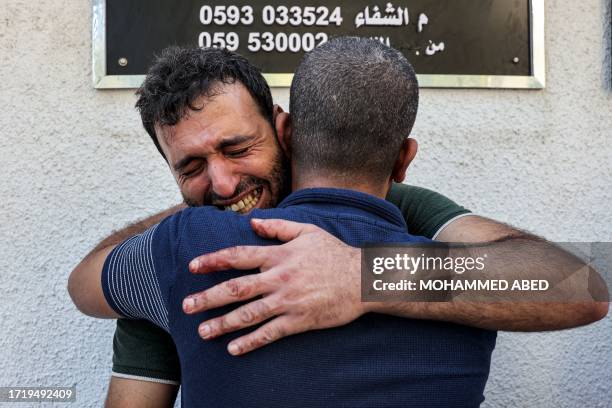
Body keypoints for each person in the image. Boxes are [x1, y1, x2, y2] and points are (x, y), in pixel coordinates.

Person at [73, 43, 608, 406]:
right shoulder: (180, 252)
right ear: (402, 157)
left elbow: (578, 284)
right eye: (190, 167)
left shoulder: (411, 211)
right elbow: (85, 282)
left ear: (285, 132)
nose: (223, 184)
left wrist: (358, 275)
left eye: (238, 149)